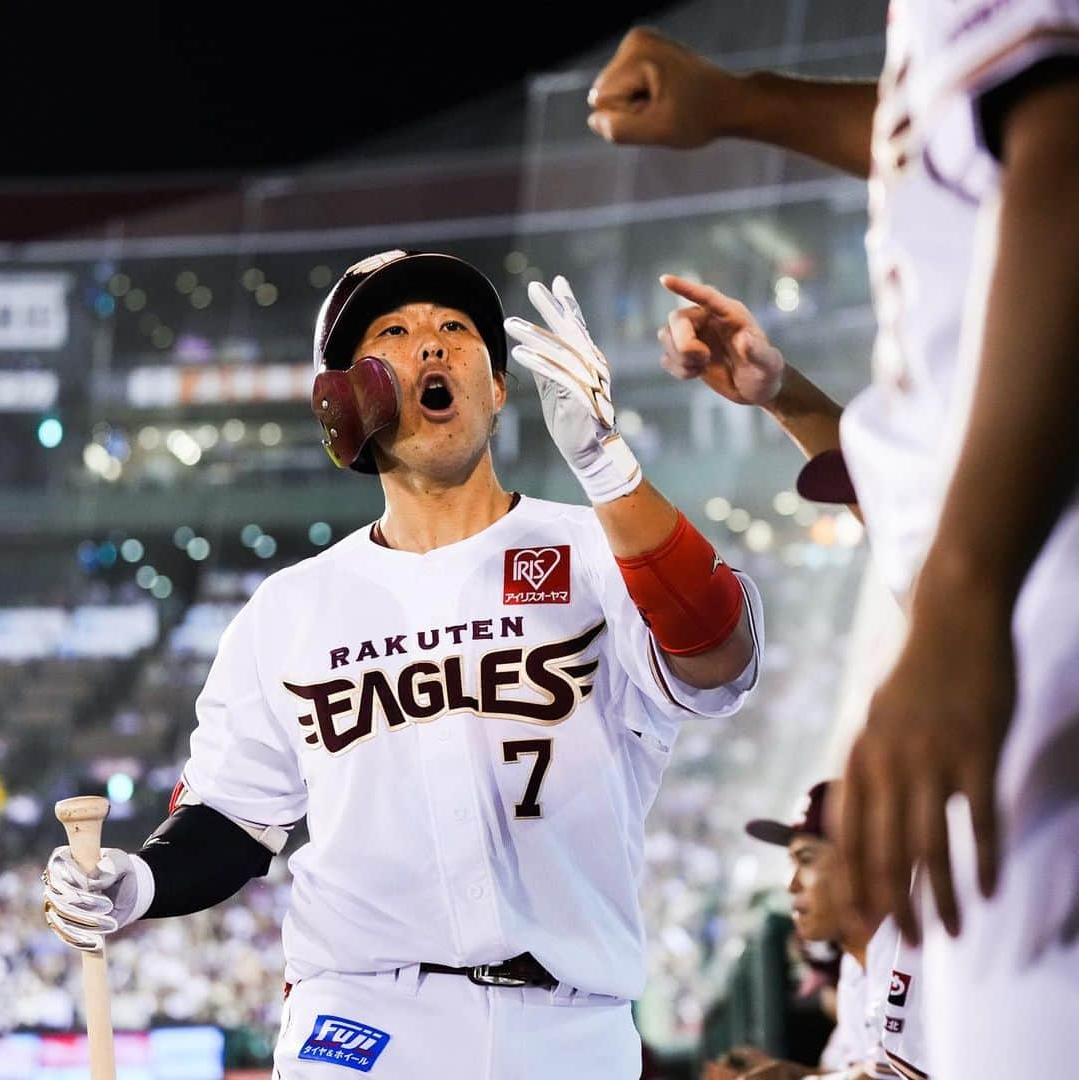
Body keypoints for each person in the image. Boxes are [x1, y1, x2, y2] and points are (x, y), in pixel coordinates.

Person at [41, 250, 764, 1079]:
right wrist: (141, 880)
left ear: (498, 388)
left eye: (456, 330)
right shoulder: (290, 608)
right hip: (359, 1023)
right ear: (344, 398)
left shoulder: (600, 548)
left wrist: (608, 466)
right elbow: (234, 819)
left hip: (571, 1029)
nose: (431, 345)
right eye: (396, 331)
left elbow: (717, 655)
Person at [591, 14, 1079, 1075]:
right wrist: (740, 104)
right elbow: (953, 134)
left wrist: (961, 604)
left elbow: (1062, 144)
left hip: (1032, 614)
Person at [705, 781, 928, 1080]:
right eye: (791, 862)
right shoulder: (854, 967)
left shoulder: (911, 949)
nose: (791, 883)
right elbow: (869, 1072)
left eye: (806, 859)